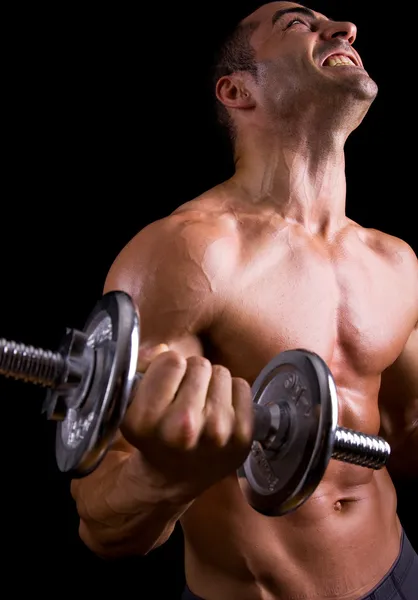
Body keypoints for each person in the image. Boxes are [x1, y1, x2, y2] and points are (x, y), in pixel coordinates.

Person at [70, 2, 418, 599]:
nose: (344, 29)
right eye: (298, 24)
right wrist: (164, 477)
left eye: (334, 23)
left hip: (399, 573)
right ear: (236, 91)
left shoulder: (394, 260)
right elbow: (102, 523)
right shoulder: (188, 253)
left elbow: (407, 433)